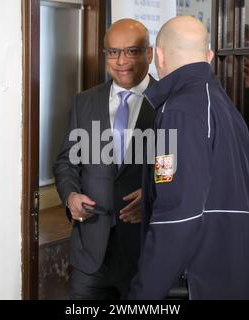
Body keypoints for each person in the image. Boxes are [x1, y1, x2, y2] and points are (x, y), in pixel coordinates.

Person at [128, 16, 249, 300]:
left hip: (201, 281)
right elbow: (208, 186)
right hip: (236, 274)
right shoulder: (223, 106)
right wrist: (154, 193)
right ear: (208, 57)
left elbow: (179, 217)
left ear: (158, 56)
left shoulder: (179, 110)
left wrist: (140, 297)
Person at [53, 19, 155, 300]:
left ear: (149, 54)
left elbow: (185, 170)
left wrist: (152, 195)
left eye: (132, 51)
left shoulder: (168, 102)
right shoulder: (84, 101)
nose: (121, 61)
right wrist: (70, 196)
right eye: (113, 52)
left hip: (147, 253)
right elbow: (66, 163)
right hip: (90, 255)